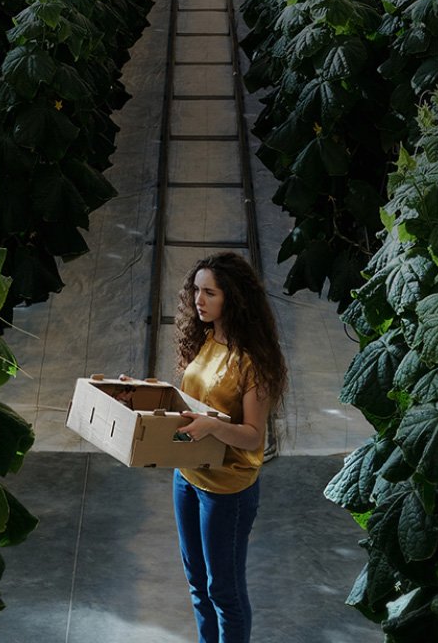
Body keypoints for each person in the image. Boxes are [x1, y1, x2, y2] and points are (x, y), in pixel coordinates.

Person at [172, 251, 287, 643]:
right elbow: (190, 403)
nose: (198, 300)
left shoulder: (254, 361)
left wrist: (212, 427)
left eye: (210, 293)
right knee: (197, 583)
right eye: (196, 290)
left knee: (224, 590)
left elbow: (253, 436)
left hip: (227, 489)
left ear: (233, 299)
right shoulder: (204, 340)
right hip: (187, 476)